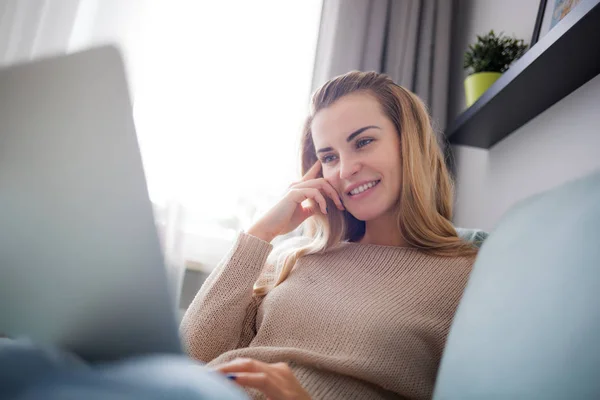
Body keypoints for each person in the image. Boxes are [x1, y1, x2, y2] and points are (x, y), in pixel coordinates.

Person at [180, 71, 479, 400]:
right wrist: (263, 232)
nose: (344, 169)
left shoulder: (468, 276)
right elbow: (195, 352)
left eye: (363, 142)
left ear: (408, 143)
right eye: (329, 157)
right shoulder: (291, 256)